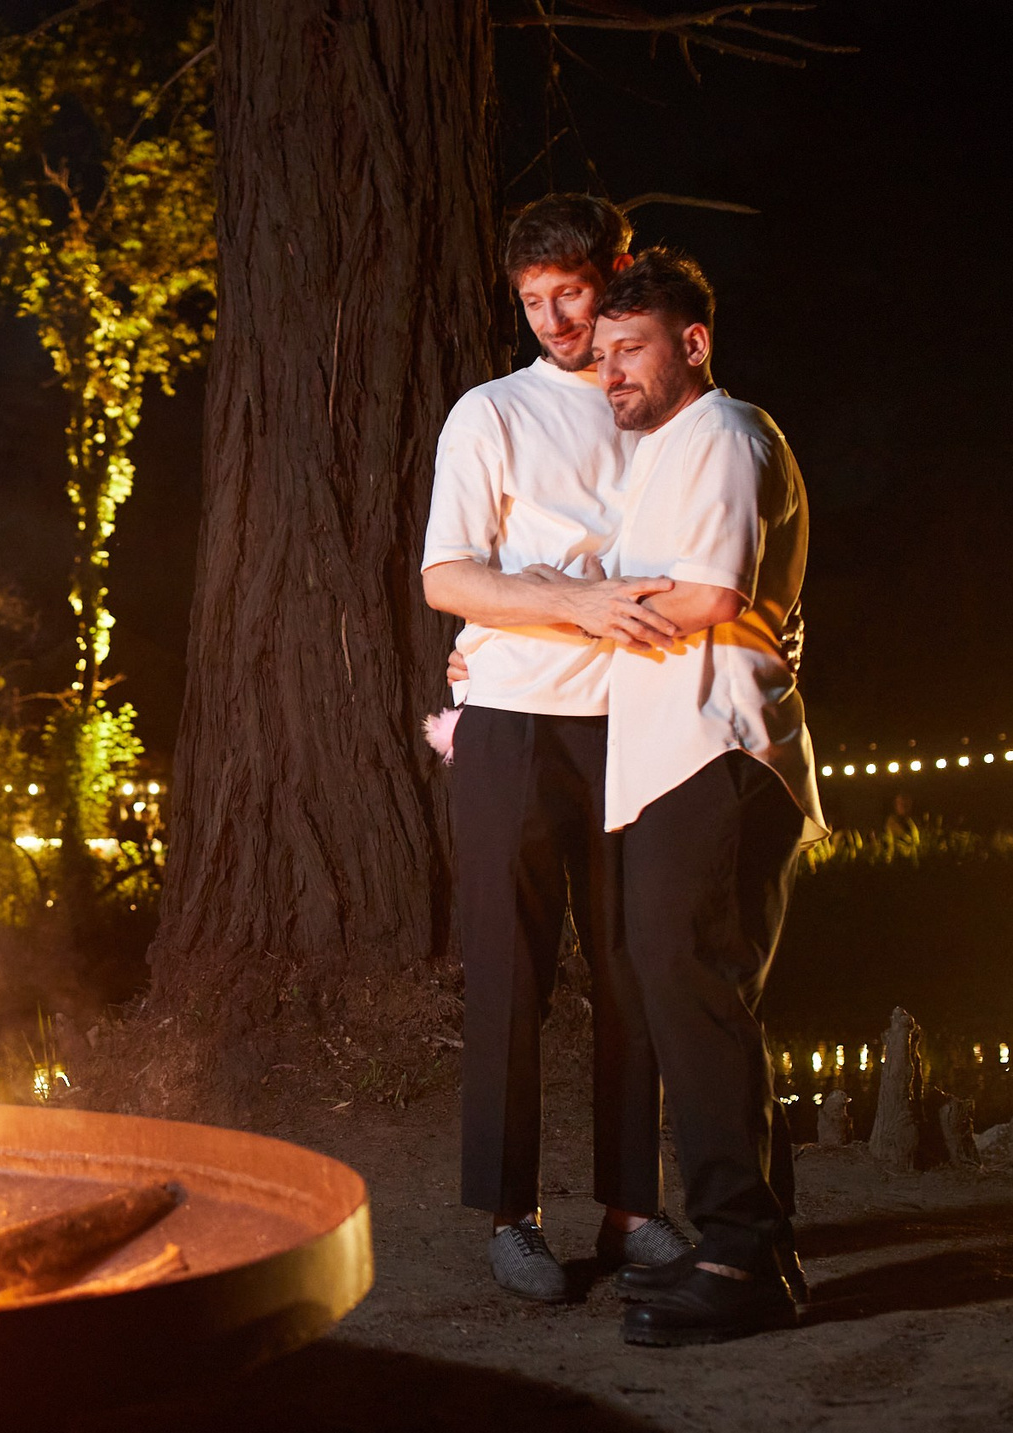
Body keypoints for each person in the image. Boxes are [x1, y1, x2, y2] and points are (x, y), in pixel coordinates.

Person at [418, 194, 692, 1304]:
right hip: (514, 723)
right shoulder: (490, 413)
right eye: (531, 301)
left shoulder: (666, 412)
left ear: (616, 273)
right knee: (511, 973)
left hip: (642, 723)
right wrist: (569, 608)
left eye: (569, 293)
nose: (551, 319)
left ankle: (631, 1209)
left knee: (634, 968)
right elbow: (446, 577)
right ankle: (510, 1215)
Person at [585, 247, 826, 1346]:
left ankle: (738, 1259)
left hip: (717, 752)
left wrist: (561, 603)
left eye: (629, 349)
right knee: (694, 993)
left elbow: (713, 592)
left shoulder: (724, 435)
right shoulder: (669, 453)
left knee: (693, 988)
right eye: (598, 357)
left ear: (692, 344)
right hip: (680, 755)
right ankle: (751, 1242)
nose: (610, 372)